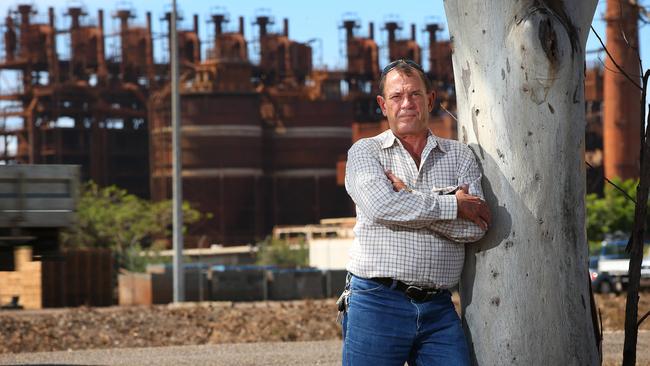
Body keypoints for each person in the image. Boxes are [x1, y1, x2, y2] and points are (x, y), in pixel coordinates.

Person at [341, 59, 491, 365]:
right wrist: (453, 205)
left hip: (438, 309)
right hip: (376, 302)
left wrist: (408, 197)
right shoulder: (365, 152)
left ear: (431, 99)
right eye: (396, 97)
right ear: (383, 105)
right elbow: (382, 207)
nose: (406, 103)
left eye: (415, 95)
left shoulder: (459, 156)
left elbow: (477, 227)